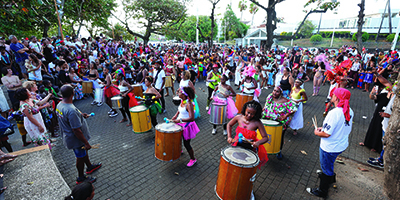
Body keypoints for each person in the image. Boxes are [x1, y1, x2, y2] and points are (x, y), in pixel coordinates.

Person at [307, 88, 353, 198]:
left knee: (326, 167)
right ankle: (330, 178)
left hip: (330, 147)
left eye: (333, 95)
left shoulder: (334, 113)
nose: (331, 96)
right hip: (341, 144)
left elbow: (327, 134)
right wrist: (324, 128)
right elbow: (340, 127)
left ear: (336, 98)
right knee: (329, 163)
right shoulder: (349, 110)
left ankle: (322, 190)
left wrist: (317, 133)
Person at [56, 85, 102, 184]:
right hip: (76, 139)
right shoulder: (71, 110)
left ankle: (89, 166)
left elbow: (68, 118)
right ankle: (81, 177)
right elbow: (76, 130)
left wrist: (80, 115)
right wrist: (86, 142)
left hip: (70, 137)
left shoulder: (60, 104)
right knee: (80, 158)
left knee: (83, 153)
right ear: (73, 94)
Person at [227, 100, 269, 167]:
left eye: (252, 114)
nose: (249, 115)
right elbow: (229, 125)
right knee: (235, 163)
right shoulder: (238, 117)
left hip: (250, 147)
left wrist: (258, 143)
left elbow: (265, 138)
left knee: (245, 165)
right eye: (248, 112)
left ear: (256, 114)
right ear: (245, 110)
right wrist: (229, 136)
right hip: (237, 143)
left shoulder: (257, 123)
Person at [262, 86, 297, 159]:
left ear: (280, 93)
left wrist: (285, 116)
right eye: (274, 90)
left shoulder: (285, 100)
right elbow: (267, 104)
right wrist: (264, 108)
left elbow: (293, 109)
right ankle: (264, 149)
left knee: (280, 137)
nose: (274, 92)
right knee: (266, 135)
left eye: (277, 91)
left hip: (279, 121)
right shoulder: (270, 96)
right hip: (267, 119)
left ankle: (279, 151)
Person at [170, 87, 200, 167]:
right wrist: (175, 116)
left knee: (186, 144)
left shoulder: (189, 104)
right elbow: (179, 110)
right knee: (178, 138)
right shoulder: (182, 101)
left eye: (179, 92)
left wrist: (179, 120)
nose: (178, 93)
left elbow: (192, 118)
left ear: (184, 95)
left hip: (186, 126)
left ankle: (193, 159)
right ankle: (180, 150)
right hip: (180, 124)